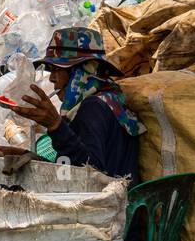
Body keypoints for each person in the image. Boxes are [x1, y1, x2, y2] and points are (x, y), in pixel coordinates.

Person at [8, 27, 143, 181]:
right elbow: (70, 163)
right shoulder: (110, 99)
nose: (51, 78)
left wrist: (56, 126)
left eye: (57, 69)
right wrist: (16, 154)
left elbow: (89, 173)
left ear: (82, 72)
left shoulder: (93, 108)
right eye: (50, 70)